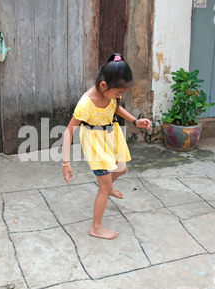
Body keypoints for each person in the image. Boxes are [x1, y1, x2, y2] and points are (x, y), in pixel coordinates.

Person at [62, 53, 151, 240]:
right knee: (104, 186)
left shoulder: (110, 94)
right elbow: (68, 131)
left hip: (111, 135)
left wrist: (135, 121)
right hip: (95, 144)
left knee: (122, 168)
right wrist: (65, 163)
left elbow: (116, 107)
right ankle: (96, 227)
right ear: (103, 86)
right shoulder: (86, 103)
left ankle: (108, 187)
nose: (119, 97)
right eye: (118, 93)